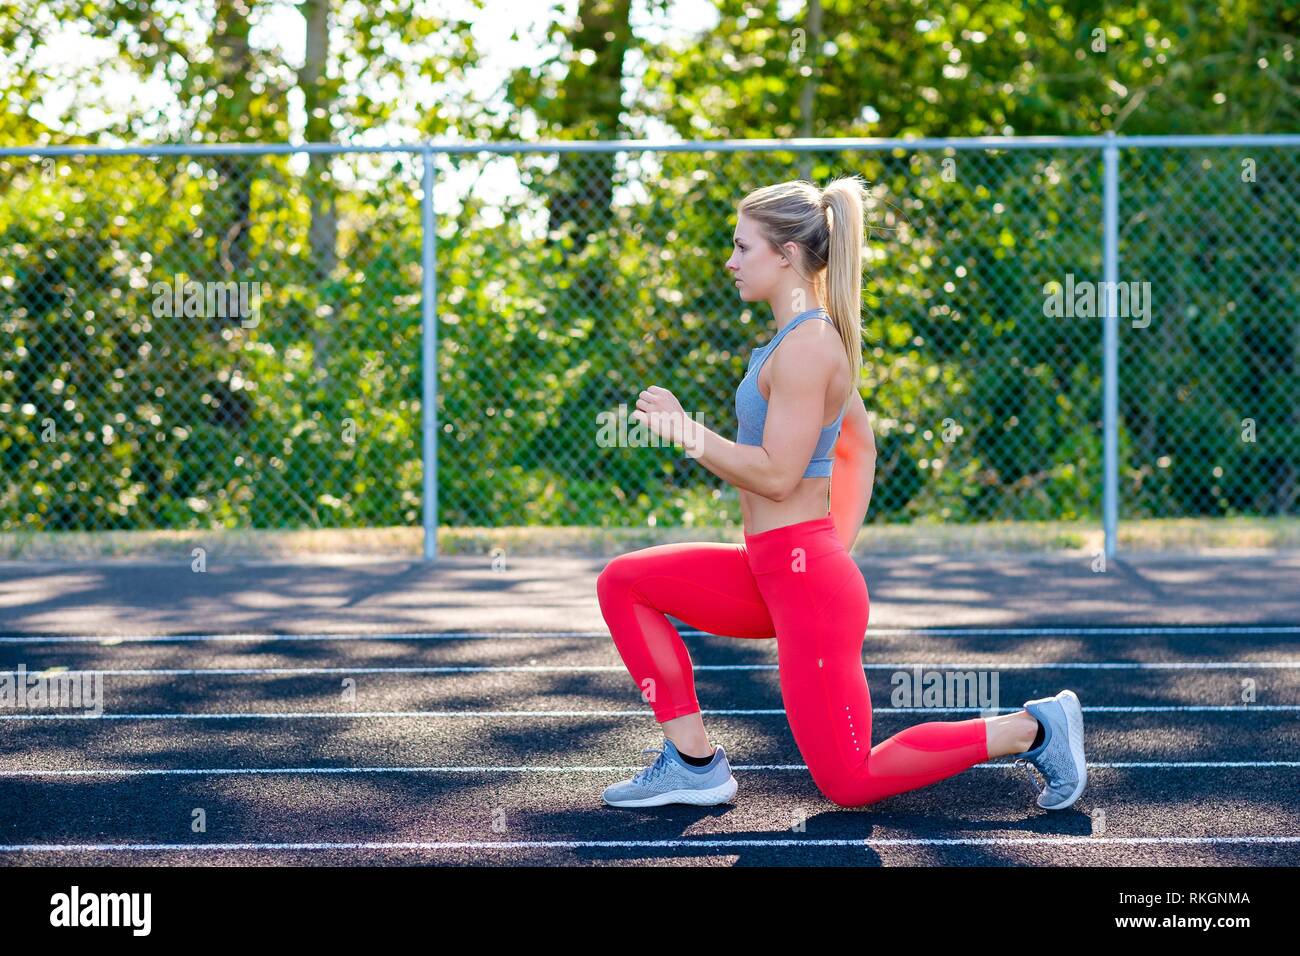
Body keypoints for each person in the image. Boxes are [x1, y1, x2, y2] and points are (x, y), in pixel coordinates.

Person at [596, 175, 1087, 811]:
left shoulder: (807, 347)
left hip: (802, 581)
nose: (731, 260)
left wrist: (686, 432)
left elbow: (776, 473)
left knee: (849, 781)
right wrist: (832, 549)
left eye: (743, 247)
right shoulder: (792, 341)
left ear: (787, 255)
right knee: (625, 583)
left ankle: (1035, 729)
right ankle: (693, 764)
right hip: (779, 569)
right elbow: (857, 446)